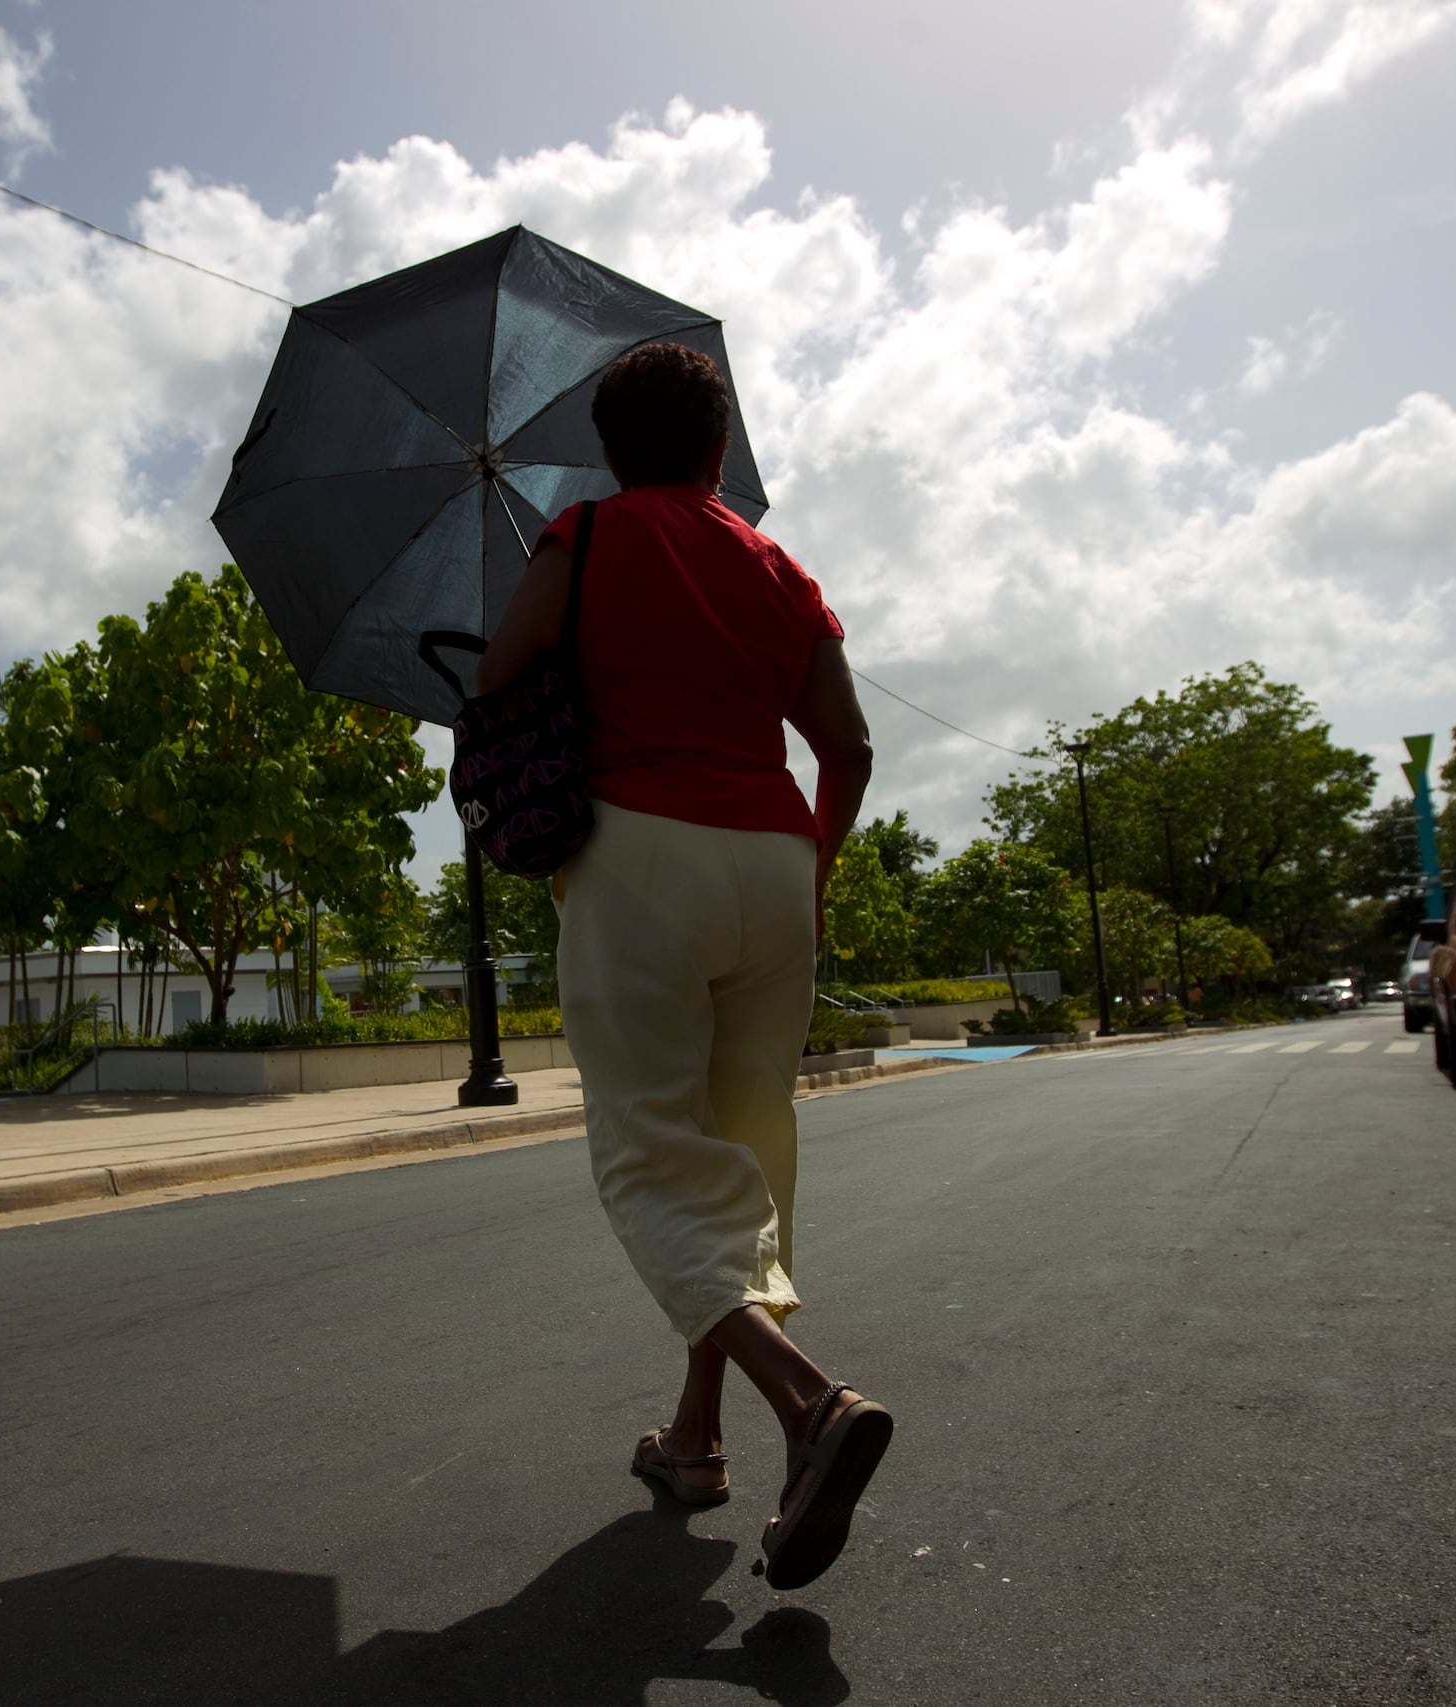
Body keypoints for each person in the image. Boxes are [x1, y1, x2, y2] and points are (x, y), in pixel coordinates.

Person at [478, 341, 889, 1592]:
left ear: (608, 449)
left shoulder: (585, 539)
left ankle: (808, 1402)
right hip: (772, 867)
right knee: (743, 1152)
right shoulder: (779, 569)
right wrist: (807, 878)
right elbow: (849, 748)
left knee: (653, 1154)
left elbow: (498, 691)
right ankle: (698, 1441)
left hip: (636, 858)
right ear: (721, 451)